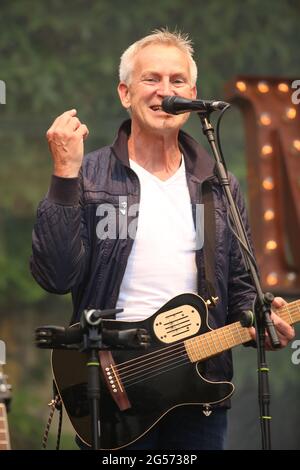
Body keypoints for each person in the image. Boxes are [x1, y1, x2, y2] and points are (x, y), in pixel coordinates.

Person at [30, 29, 295, 450]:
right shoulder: (90, 176)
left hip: (199, 387)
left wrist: (260, 319)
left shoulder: (217, 183)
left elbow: (241, 286)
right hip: (112, 386)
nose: (164, 91)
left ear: (193, 93)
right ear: (124, 93)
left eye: (176, 81)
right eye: (151, 79)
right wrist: (64, 175)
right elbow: (56, 276)